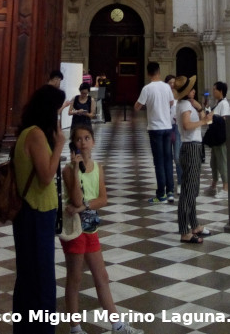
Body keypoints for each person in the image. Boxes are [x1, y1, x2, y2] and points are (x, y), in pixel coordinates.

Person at [61, 124, 142, 334]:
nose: (83, 143)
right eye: (78, 139)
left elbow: (103, 199)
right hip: (75, 229)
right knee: (75, 277)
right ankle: (75, 328)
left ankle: (117, 324)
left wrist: (84, 206)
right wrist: (76, 170)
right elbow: (76, 197)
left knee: (102, 276)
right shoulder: (68, 171)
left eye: (87, 138)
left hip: (90, 226)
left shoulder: (98, 168)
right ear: (73, 144)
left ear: (93, 141)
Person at [12, 84, 66, 331]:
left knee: (28, 278)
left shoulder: (30, 131)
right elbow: (46, 176)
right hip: (35, 213)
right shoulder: (35, 135)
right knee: (42, 281)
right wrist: (59, 146)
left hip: (32, 212)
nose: (57, 117)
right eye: (56, 111)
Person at [174, 75, 213, 244]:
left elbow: (205, 118)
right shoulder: (183, 105)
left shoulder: (188, 104)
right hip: (190, 148)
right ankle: (184, 230)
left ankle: (195, 224)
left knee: (192, 188)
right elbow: (186, 125)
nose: (194, 90)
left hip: (194, 147)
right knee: (188, 191)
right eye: (191, 88)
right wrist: (203, 121)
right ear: (186, 92)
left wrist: (199, 108)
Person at [134, 61, 174, 203]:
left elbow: (137, 107)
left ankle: (161, 194)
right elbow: (171, 103)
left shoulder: (147, 88)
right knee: (168, 160)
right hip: (167, 127)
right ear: (159, 71)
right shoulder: (166, 87)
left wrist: (149, 105)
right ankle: (170, 192)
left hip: (155, 128)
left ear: (148, 73)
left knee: (159, 161)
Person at [204, 80, 230, 196]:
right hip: (214, 136)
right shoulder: (218, 104)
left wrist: (212, 116)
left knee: (222, 161)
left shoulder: (224, 104)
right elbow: (209, 121)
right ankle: (214, 184)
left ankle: (226, 187)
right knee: (213, 162)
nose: (213, 91)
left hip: (220, 137)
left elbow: (223, 120)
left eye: (215, 89)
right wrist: (207, 110)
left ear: (221, 91)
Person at [165, 74, 182, 188]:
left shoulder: (179, 96)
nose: (172, 85)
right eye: (169, 83)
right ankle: (169, 184)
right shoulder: (163, 96)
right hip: (166, 127)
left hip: (176, 128)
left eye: (173, 83)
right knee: (167, 156)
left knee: (177, 156)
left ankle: (180, 182)